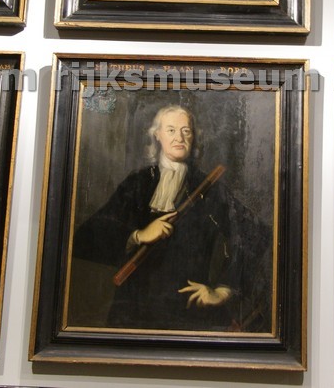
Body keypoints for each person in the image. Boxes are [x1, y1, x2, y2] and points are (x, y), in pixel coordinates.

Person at [72, 105, 258, 331]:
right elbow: (87, 237)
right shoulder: (138, 183)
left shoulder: (211, 189)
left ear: (194, 137)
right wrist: (138, 235)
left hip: (188, 311)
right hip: (133, 309)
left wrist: (223, 291)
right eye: (171, 130)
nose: (179, 137)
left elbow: (251, 236)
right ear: (157, 135)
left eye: (186, 131)